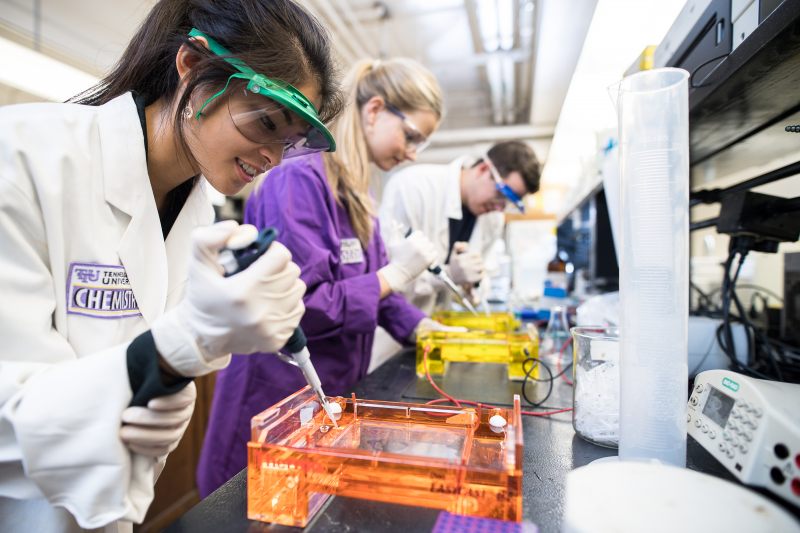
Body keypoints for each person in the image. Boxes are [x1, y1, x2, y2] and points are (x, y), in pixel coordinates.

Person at [0, 0, 344, 531]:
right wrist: (168, 355)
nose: (273, 157)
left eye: (288, 140)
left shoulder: (199, 212)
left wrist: (163, 383)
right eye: (266, 121)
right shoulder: (23, 155)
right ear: (192, 64)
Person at [197, 58, 463, 497]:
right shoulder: (297, 181)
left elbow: (374, 290)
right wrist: (395, 276)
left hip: (327, 400)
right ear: (374, 110)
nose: (414, 152)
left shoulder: (358, 195)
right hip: (275, 401)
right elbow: (303, 306)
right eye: (412, 135)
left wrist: (421, 327)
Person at [378, 141, 541, 315]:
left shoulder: (494, 219)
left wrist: (472, 288)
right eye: (502, 194)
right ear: (484, 170)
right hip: (392, 327)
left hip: (440, 326)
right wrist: (448, 275)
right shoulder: (412, 187)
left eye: (510, 203)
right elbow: (385, 275)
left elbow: (483, 273)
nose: (501, 208)